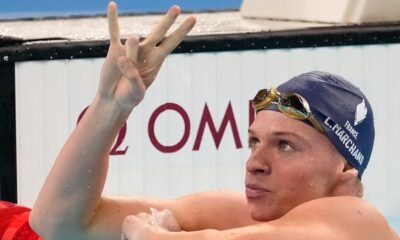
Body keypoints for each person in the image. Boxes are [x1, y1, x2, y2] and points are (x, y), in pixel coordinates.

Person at [29, 2, 399, 240]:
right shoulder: (235, 214)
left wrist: (156, 235)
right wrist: (108, 108)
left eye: (285, 145)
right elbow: (58, 223)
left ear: (346, 171)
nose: (255, 164)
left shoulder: (358, 222)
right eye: (255, 141)